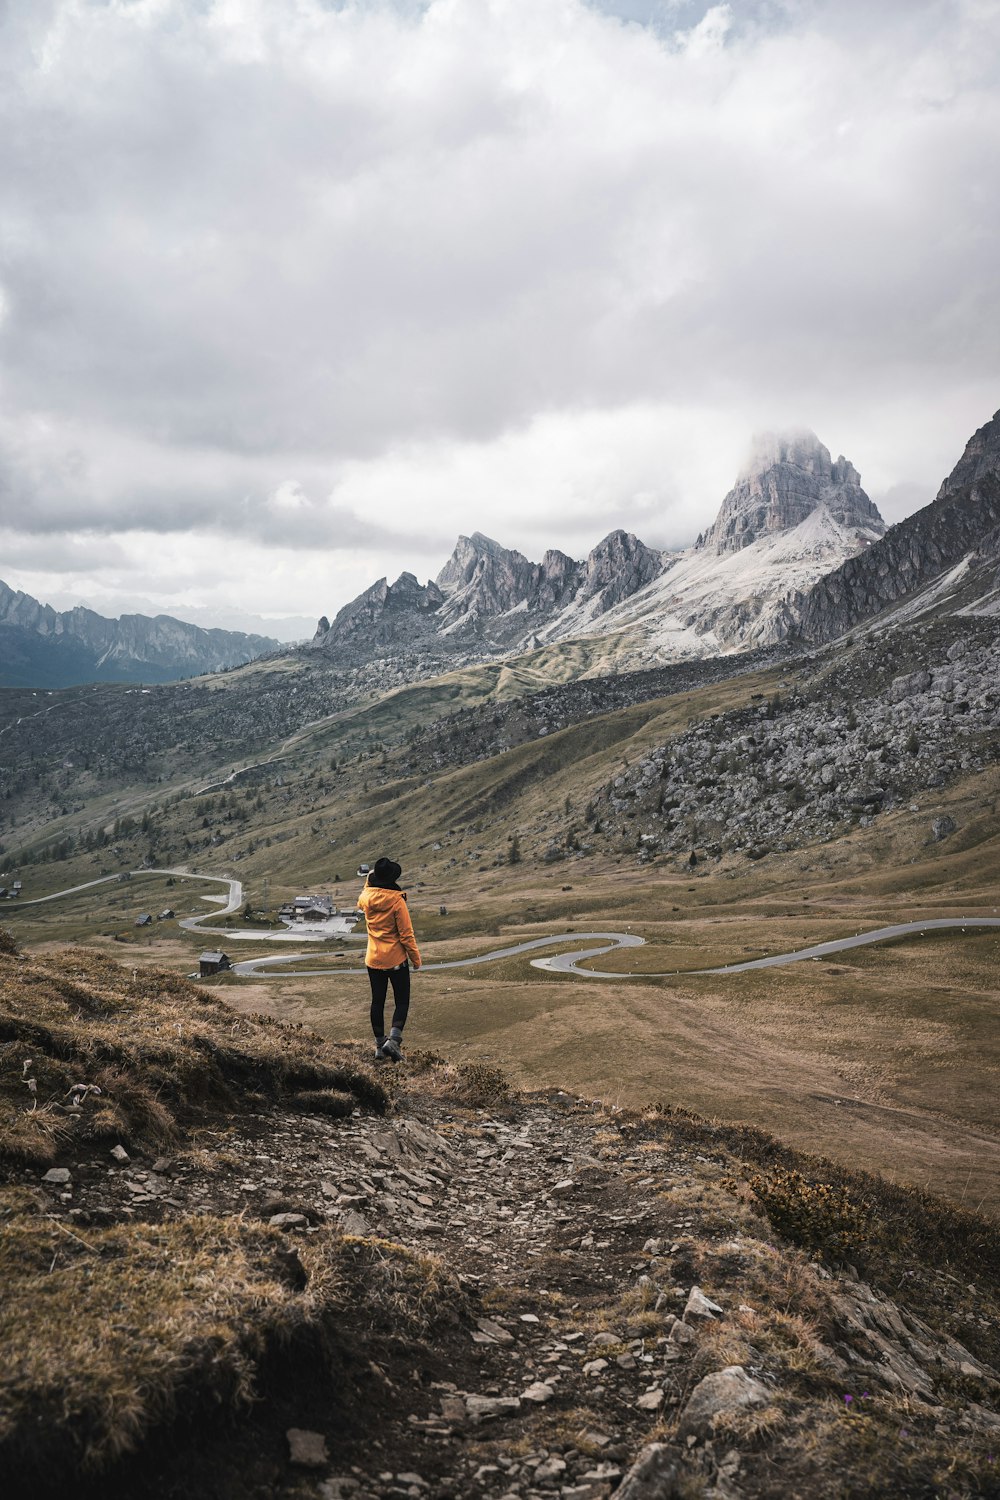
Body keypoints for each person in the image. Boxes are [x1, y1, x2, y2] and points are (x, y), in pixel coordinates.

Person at [356, 857, 421, 1063]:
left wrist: (370, 878)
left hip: (373, 959)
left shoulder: (365, 897)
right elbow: (406, 934)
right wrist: (415, 958)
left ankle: (379, 1046)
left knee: (378, 1001)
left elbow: (367, 886)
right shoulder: (396, 901)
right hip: (395, 960)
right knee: (402, 1001)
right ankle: (393, 1042)